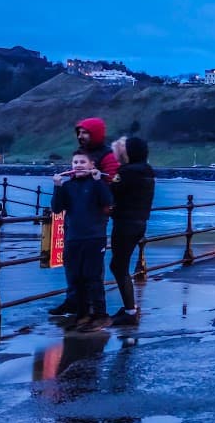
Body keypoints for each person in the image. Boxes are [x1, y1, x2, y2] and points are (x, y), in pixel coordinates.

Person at [51, 153, 113, 330]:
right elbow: (56, 208)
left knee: (92, 277)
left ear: (91, 164)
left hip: (94, 238)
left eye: (82, 162)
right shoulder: (68, 186)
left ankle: (101, 315)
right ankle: (83, 314)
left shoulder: (96, 184)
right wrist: (57, 186)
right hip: (73, 238)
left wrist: (99, 181)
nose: (78, 165)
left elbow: (108, 202)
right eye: (75, 162)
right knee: (75, 277)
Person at [108, 136, 154, 327]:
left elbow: (112, 191)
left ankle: (130, 311)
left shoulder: (127, 172)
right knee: (120, 265)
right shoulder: (146, 171)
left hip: (125, 223)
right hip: (139, 223)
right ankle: (130, 307)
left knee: (118, 266)